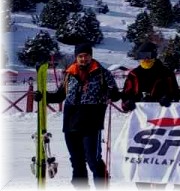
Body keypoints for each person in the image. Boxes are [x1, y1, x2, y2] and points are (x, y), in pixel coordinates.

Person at [35, 44, 119, 187]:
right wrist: (43, 96)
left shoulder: (102, 73)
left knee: (93, 159)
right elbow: (59, 96)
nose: (83, 58)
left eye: (86, 55)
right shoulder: (69, 73)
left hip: (92, 122)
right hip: (71, 122)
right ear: (76, 57)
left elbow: (115, 94)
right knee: (76, 160)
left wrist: (112, 94)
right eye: (80, 56)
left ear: (91, 56)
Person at [120, 41, 177, 112]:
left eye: (148, 56)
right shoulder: (134, 74)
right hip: (139, 114)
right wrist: (127, 103)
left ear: (154, 56)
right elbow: (126, 95)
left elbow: (175, 94)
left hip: (161, 114)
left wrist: (167, 98)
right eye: (142, 56)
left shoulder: (166, 73)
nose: (145, 59)